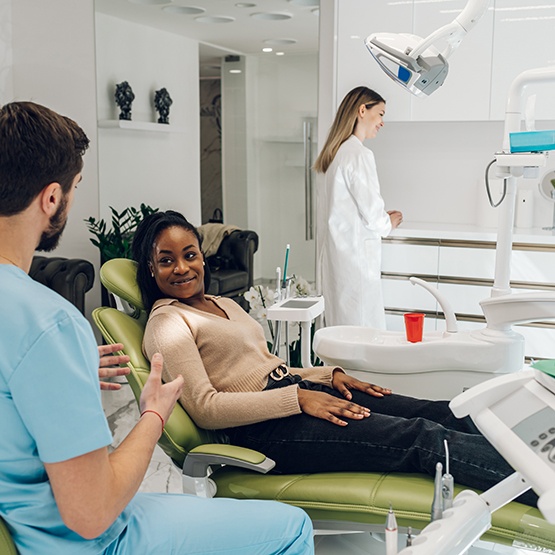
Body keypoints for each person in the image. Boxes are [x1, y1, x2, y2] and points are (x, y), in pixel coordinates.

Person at [0, 101, 314, 555]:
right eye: (74, 188)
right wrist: (153, 413)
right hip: (88, 542)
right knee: (293, 528)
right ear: (52, 198)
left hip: (20, 522)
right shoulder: (49, 322)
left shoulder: (36, 332)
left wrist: (60, 373)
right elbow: (91, 513)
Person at [134, 210, 536, 507]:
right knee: (418, 437)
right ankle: (539, 485)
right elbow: (205, 408)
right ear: (150, 270)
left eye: (189, 254)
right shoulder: (168, 323)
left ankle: (539, 451)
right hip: (262, 428)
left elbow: (266, 367)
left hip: (296, 396)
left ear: (203, 256)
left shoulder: (223, 303)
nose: (182, 268)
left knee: (442, 411)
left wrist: (328, 376)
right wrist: (298, 399)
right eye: (166, 260)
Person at [313, 86, 403, 329]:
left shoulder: (337, 154)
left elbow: (347, 209)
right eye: (381, 113)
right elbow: (373, 216)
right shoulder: (358, 154)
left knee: (343, 334)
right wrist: (389, 222)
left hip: (339, 261)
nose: (382, 122)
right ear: (363, 110)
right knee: (364, 336)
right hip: (356, 264)